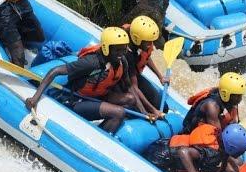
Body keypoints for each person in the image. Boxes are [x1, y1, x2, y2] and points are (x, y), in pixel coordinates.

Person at [25, 27, 154, 134]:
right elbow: (55, 71)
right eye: (117, 50)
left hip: (98, 96)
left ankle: (113, 126)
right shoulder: (91, 62)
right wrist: (35, 98)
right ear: (106, 48)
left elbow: (130, 87)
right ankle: (100, 137)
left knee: (130, 98)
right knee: (119, 112)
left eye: (124, 49)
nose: (121, 53)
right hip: (76, 101)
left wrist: (145, 113)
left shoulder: (122, 61)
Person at [144, 122, 246, 172]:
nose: (240, 154)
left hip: (164, 143)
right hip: (160, 156)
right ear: (231, 147)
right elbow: (183, 152)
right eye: (240, 151)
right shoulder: (211, 153)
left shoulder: (219, 140)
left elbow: (224, 161)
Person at [123, 15, 166, 119]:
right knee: (138, 110)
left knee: (164, 108)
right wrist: (152, 110)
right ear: (137, 39)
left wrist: (160, 76)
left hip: (134, 75)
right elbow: (133, 87)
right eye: (148, 41)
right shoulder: (126, 52)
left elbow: (145, 57)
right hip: (123, 80)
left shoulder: (141, 42)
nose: (151, 44)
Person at [181, 72, 246, 135]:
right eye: (237, 96)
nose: (240, 99)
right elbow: (218, 135)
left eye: (240, 95)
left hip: (211, 131)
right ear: (225, 94)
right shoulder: (212, 106)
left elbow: (234, 122)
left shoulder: (232, 100)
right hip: (193, 134)